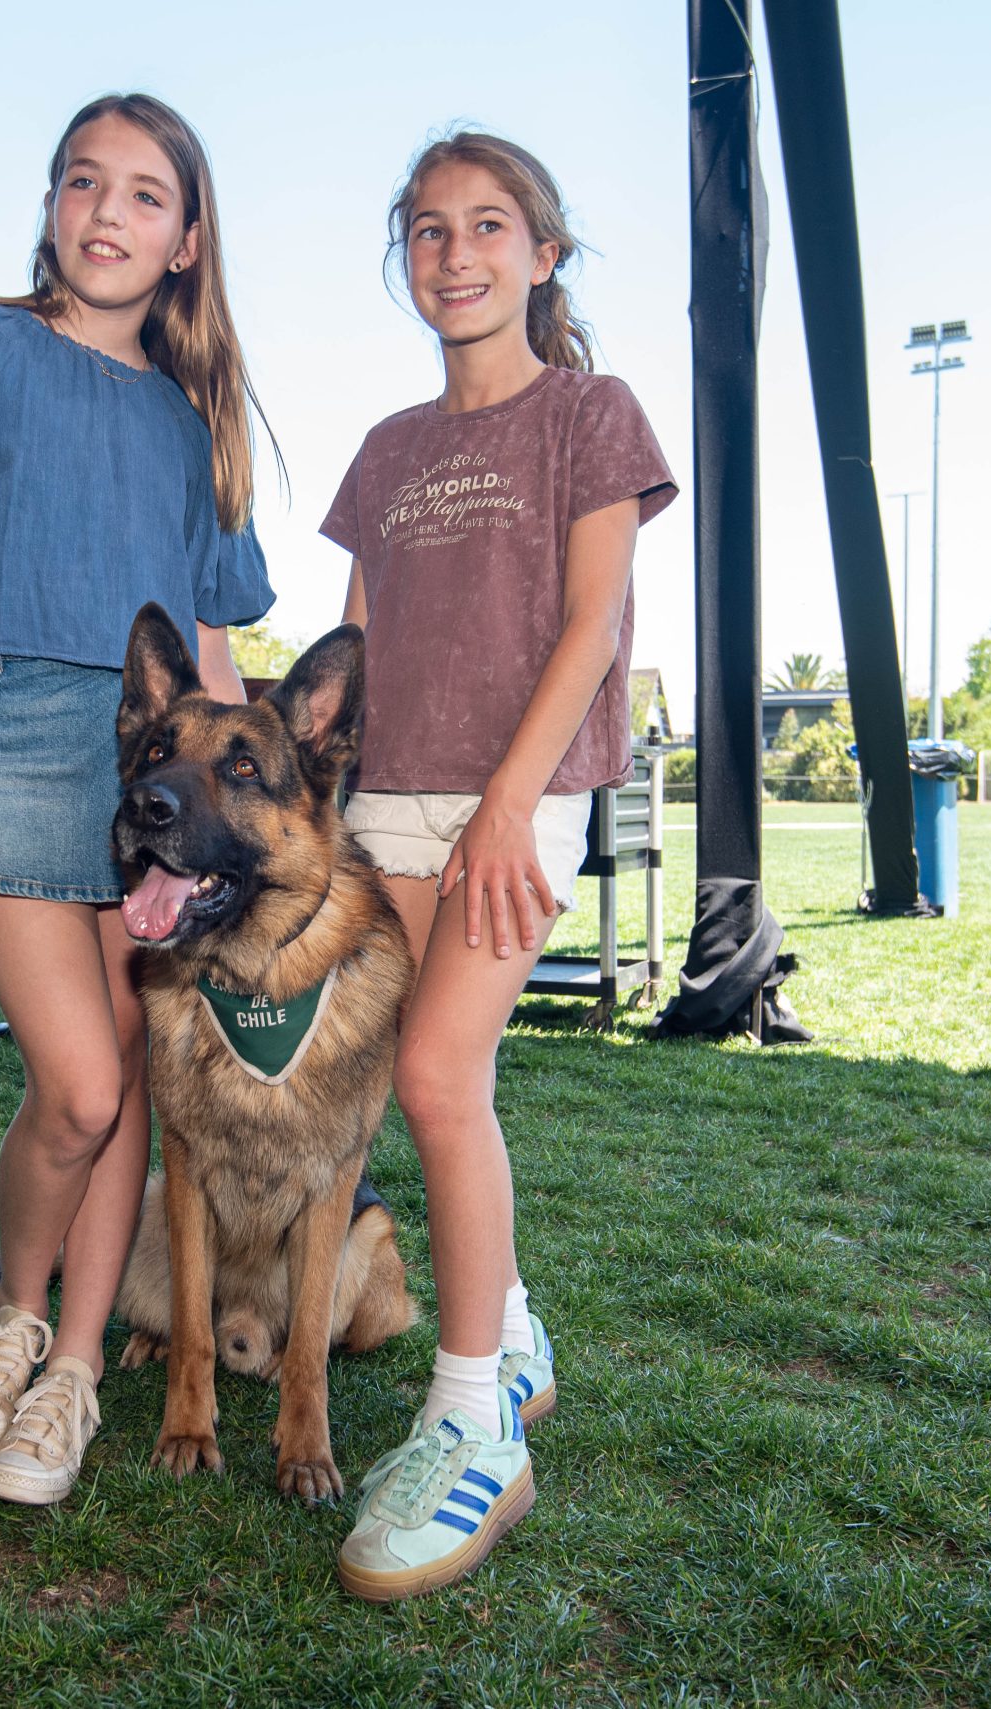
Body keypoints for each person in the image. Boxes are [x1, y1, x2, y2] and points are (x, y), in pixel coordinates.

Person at [0, 94, 272, 1507]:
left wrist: (245, 814)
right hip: (4, 734)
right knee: (80, 1084)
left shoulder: (195, 422)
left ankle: (76, 1368)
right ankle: (15, 1317)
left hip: (154, 765)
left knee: (131, 1068)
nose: (107, 212)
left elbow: (214, 653)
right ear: (48, 203)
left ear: (187, 239)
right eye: (84, 181)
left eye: (146, 194)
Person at [320, 133, 676, 1599]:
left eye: (486, 226)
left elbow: (594, 624)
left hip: (515, 799)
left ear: (543, 253)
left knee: (436, 1079)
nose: (454, 254)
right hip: (387, 802)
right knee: (415, 1073)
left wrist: (508, 806)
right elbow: (351, 648)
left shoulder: (589, 413)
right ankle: (509, 1326)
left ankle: (476, 1424)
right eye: (426, 229)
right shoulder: (387, 450)